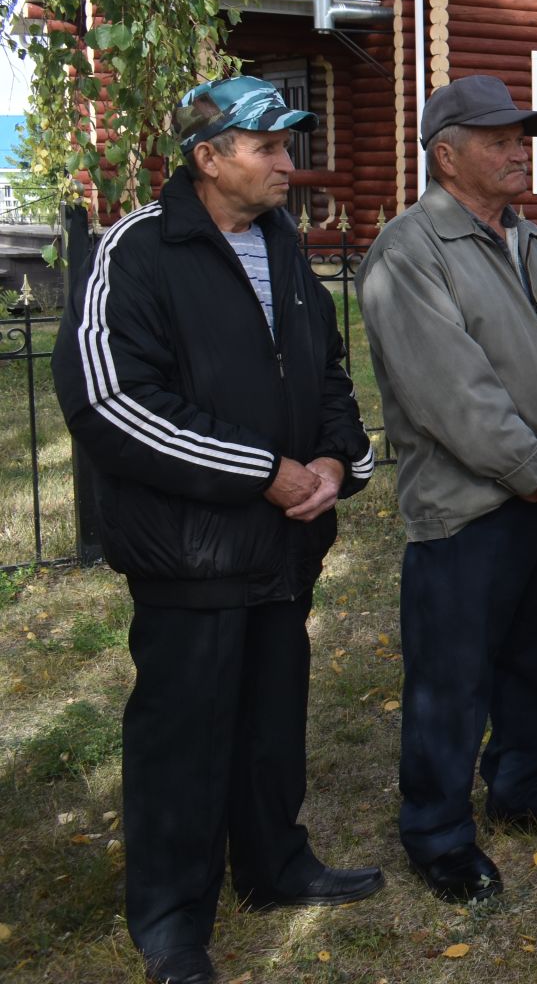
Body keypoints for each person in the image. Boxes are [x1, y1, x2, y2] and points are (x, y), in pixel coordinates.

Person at [52, 77, 380, 984]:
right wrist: (261, 474)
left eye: (288, 146)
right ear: (207, 158)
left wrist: (333, 462)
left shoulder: (282, 242)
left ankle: (275, 865)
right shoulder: (138, 251)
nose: (289, 164)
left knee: (272, 720)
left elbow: (326, 372)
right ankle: (170, 921)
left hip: (282, 547)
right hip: (189, 553)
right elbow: (110, 402)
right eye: (268, 148)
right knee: (183, 737)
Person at [359, 75, 537, 906]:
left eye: (525, 136)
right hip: (468, 509)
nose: (522, 150)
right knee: (452, 679)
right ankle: (437, 834)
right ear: (446, 154)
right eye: (500, 139)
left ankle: (525, 787)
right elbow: (450, 390)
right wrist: (534, 467)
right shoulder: (409, 251)